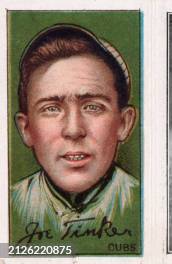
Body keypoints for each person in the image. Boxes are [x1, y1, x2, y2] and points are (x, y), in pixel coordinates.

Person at [10, 24, 139, 233]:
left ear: (124, 123)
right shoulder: (8, 206)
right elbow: (3, 249)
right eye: (51, 108)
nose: (73, 130)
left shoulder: (146, 201)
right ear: (26, 129)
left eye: (92, 107)